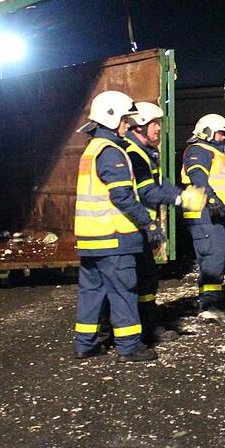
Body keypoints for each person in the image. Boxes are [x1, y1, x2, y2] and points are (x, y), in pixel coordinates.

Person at [72, 90, 161, 363]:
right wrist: (148, 222)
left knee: (91, 292)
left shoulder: (93, 149)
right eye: (124, 119)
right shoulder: (112, 152)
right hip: (114, 238)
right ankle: (129, 346)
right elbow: (122, 197)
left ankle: (84, 344)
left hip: (91, 239)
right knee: (123, 292)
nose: (127, 125)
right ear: (110, 119)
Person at [125, 101, 206, 344]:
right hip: (132, 227)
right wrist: (181, 199)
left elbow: (161, 185)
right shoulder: (133, 154)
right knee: (137, 281)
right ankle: (141, 330)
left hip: (138, 227)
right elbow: (147, 192)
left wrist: (182, 194)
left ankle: (148, 325)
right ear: (140, 126)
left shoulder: (146, 152)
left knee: (146, 279)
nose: (159, 128)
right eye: (154, 124)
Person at [181, 114, 225, 320]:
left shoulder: (213, 153)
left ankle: (209, 301)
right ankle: (210, 305)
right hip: (205, 213)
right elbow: (198, 178)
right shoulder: (199, 151)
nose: (223, 137)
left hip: (213, 214)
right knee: (213, 259)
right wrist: (211, 199)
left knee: (214, 258)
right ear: (207, 132)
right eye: (220, 133)